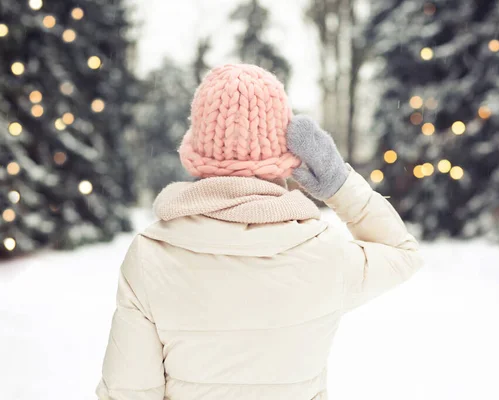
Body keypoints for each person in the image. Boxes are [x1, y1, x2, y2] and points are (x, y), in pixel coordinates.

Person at [96, 64, 423, 400]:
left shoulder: (150, 256)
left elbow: (127, 393)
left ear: (194, 148)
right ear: (288, 152)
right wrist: (339, 185)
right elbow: (401, 253)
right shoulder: (326, 252)